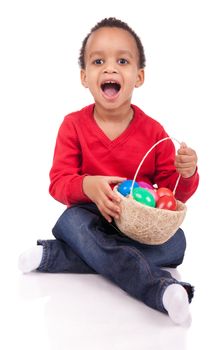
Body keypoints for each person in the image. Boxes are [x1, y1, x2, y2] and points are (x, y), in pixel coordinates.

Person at [18, 17, 199, 325]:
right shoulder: (73, 125)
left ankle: (56, 256)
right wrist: (87, 186)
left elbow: (172, 194)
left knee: (176, 243)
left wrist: (188, 171)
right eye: (98, 60)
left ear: (139, 76)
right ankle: (162, 291)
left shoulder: (154, 132)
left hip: (137, 225)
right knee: (70, 222)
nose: (110, 68)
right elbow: (59, 182)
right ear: (84, 76)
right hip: (89, 217)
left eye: (123, 61)